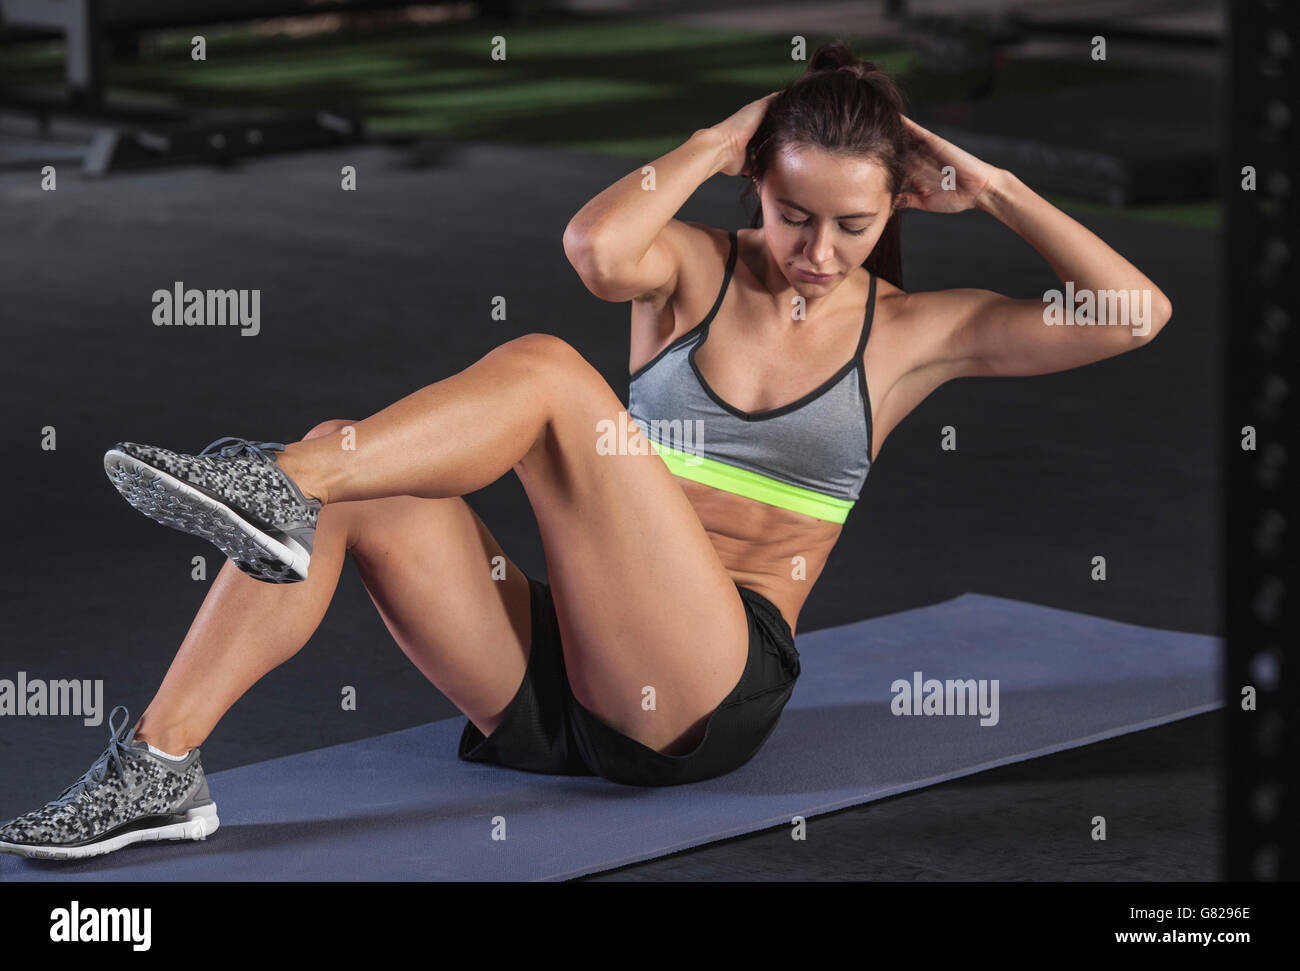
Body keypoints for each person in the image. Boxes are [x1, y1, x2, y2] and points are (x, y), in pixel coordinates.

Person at [0, 41, 1170, 860]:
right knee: (351, 483)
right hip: (569, 676)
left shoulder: (916, 334)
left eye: (853, 225)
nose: (818, 250)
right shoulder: (692, 272)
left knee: (552, 377)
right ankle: (159, 766)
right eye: (792, 213)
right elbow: (593, 242)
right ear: (753, 186)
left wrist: (1000, 185)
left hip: (702, 695)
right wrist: (719, 136)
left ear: (898, 209)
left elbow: (1136, 314)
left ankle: (280, 481)